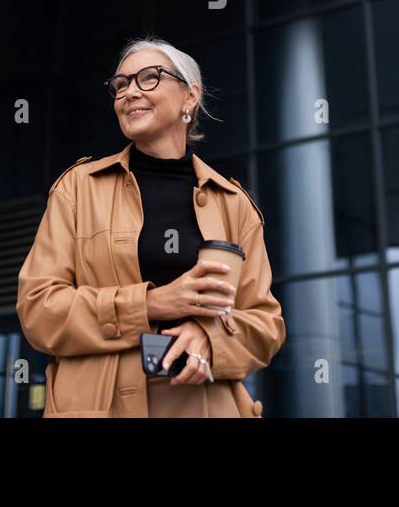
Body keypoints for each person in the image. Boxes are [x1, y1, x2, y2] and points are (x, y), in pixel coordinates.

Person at [16, 35, 286, 416]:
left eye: (149, 78)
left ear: (190, 97)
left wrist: (210, 337)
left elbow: (265, 325)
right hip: (101, 407)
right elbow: (39, 311)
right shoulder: (77, 189)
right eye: (121, 85)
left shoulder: (235, 204)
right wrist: (149, 304)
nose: (129, 93)